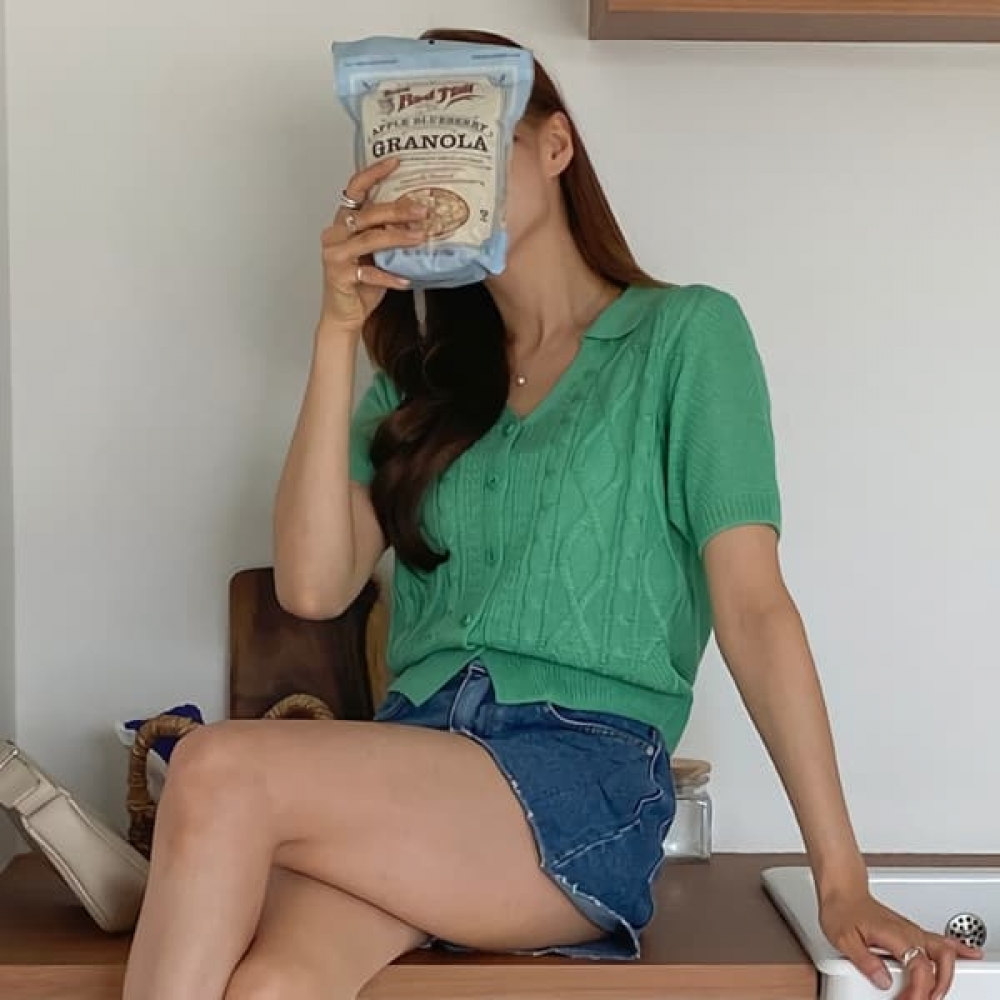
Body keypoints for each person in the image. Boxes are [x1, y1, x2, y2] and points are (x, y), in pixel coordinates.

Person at [122, 28, 981, 1000]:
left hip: (580, 774)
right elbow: (314, 586)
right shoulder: (424, 385)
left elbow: (753, 609)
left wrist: (841, 877)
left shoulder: (684, 338)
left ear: (556, 145)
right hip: (414, 761)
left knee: (217, 768)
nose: (447, 169)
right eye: (416, 146)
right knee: (275, 984)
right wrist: (336, 329)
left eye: (474, 133)